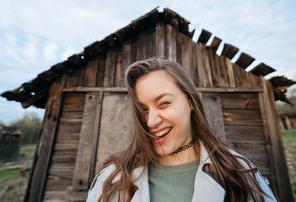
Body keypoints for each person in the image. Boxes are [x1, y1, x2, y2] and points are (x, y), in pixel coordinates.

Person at [86, 58, 276, 202]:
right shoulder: (111, 180)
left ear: (190, 102)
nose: (151, 121)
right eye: (144, 110)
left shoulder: (239, 172)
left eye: (164, 103)